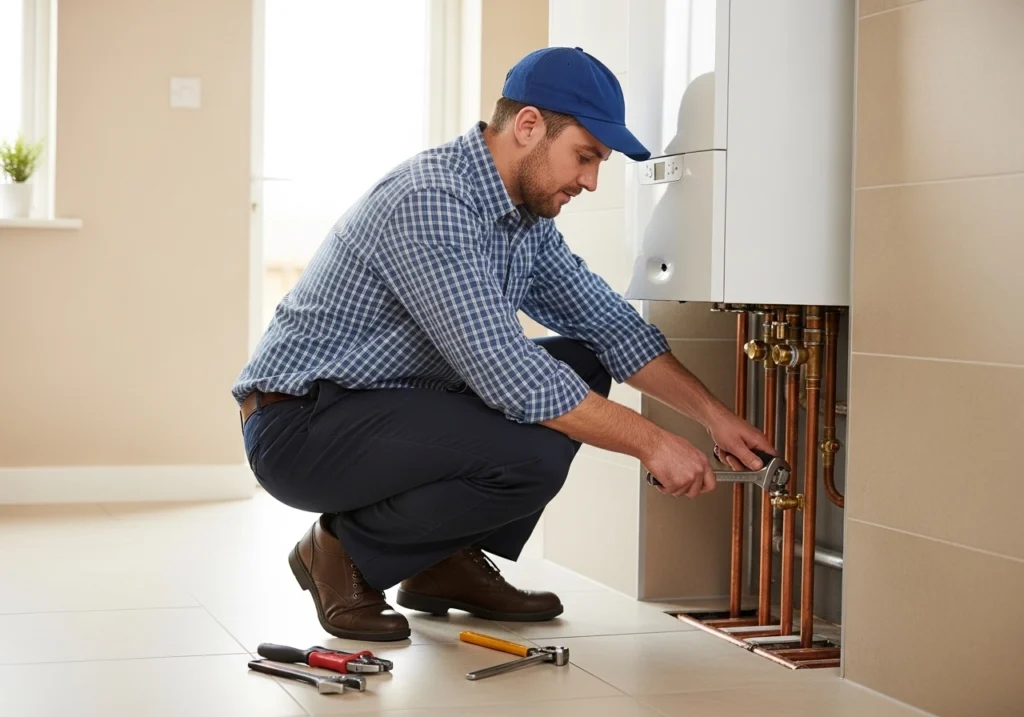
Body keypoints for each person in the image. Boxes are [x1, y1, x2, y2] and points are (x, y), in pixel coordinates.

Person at [233, 46, 773, 642]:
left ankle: (440, 560)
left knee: (584, 360)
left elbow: (613, 328)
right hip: (301, 426)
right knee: (531, 454)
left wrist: (713, 417)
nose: (591, 182)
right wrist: (654, 444)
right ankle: (337, 551)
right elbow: (508, 373)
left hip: (387, 408)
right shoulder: (431, 200)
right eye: (586, 157)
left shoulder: (524, 222)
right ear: (528, 126)